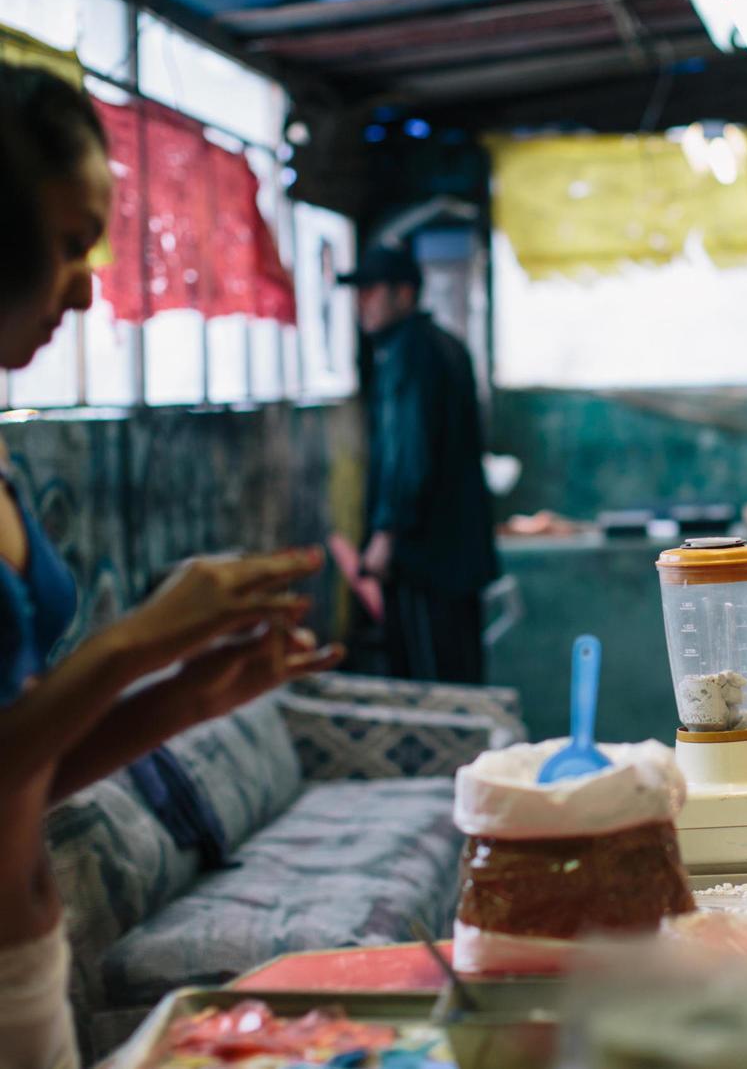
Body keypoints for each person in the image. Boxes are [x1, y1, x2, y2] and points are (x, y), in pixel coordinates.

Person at [0, 64, 344, 1067]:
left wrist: (187, 695)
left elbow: (26, 775)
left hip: (27, 966)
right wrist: (134, 641)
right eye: (66, 245)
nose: (85, 284)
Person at [342, 245, 498, 684]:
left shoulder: (407, 353)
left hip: (424, 556)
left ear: (405, 295)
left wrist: (386, 534)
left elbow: (407, 451)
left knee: (428, 683)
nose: (361, 304)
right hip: (456, 554)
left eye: (371, 291)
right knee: (460, 673)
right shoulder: (447, 345)